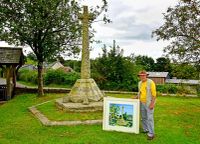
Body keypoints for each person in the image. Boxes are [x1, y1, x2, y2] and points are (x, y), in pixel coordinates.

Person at [135, 70, 156, 140]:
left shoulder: (151, 82)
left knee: (149, 118)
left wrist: (152, 104)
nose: (142, 77)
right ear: (139, 77)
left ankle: (151, 134)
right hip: (141, 102)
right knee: (143, 117)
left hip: (149, 103)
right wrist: (136, 97)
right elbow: (140, 92)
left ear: (146, 75)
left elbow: (154, 94)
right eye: (141, 76)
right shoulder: (139, 83)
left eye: (143, 75)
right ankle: (145, 129)